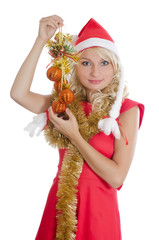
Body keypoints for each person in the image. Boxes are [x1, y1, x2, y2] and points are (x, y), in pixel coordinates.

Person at [10, 15, 144, 240]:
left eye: (104, 63)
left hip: (99, 211)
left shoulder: (125, 110)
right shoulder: (64, 105)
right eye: (86, 63)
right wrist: (41, 40)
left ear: (115, 67)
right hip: (61, 203)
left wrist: (74, 135)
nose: (95, 73)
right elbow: (19, 94)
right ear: (74, 66)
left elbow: (116, 177)